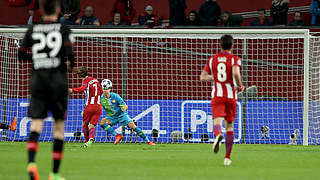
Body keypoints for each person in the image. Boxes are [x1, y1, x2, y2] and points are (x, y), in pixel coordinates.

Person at [18, 0, 75, 179]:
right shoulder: (64, 30)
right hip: (58, 83)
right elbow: (71, 60)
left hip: (38, 82)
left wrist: (37, 59)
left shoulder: (32, 29)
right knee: (58, 128)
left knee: (36, 124)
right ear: (58, 10)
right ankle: (54, 174)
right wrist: (62, 62)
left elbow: (20, 54)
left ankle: (32, 163)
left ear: (41, 10)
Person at [200, 35, 244, 166]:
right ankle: (227, 158)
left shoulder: (212, 59)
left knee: (217, 122)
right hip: (231, 97)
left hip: (217, 96)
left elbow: (202, 77)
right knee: (229, 126)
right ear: (232, 45)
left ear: (220, 45)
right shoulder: (234, 59)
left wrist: (215, 78)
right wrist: (240, 85)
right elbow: (236, 73)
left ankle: (218, 134)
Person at [99, 79, 155, 146]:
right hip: (112, 117)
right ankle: (117, 136)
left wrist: (124, 107)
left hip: (122, 115)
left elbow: (125, 106)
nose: (105, 91)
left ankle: (148, 141)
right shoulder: (101, 99)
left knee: (133, 127)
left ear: (110, 89)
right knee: (102, 122)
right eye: (104, 88)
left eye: (107, 89)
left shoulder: (115, 96)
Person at [69, 67, 103, 147]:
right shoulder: (96, 81)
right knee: (92, 125)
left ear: (79, 75)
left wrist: (72, 90)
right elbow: (101, 92)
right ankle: (91, 139)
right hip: (98, 107)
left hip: (89, 107)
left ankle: (86, 141)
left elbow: (82, 89)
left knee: (85, 124)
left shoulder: (85, 81)